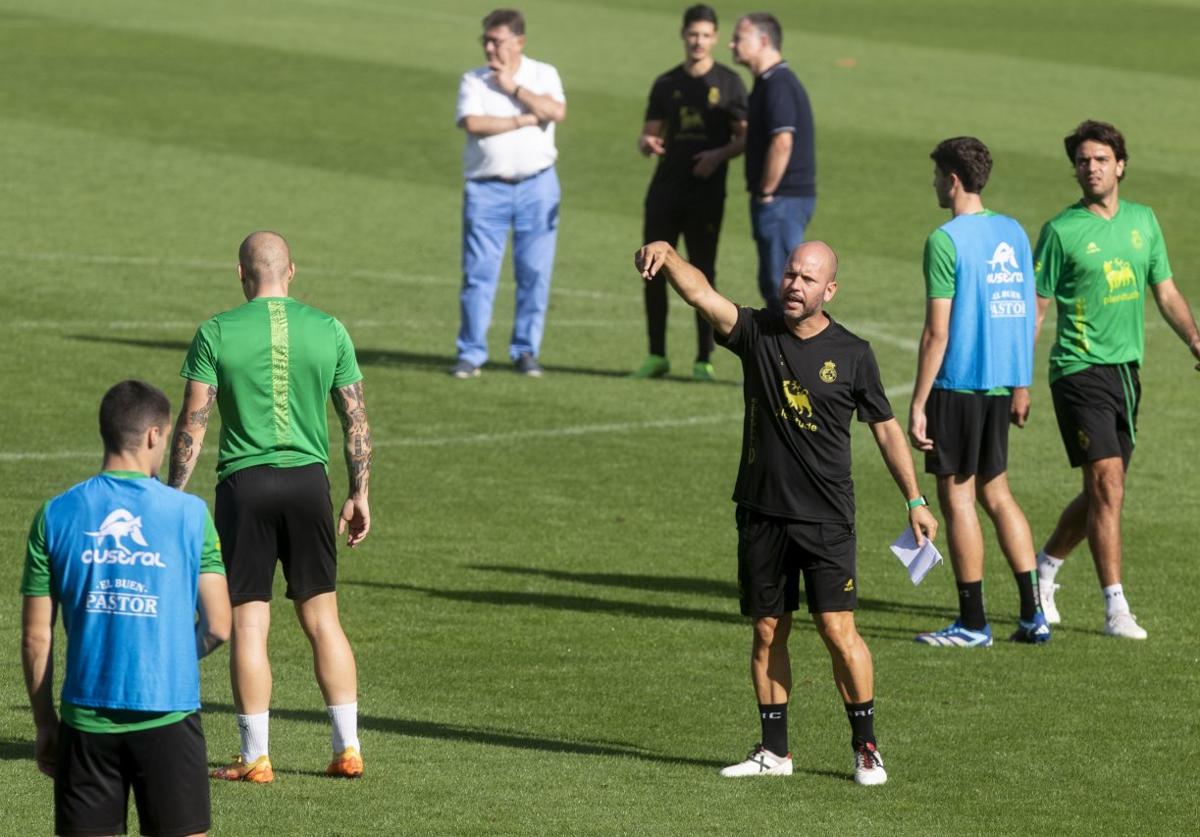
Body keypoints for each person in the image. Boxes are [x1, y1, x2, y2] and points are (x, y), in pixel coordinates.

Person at [635, 238, 938, 785]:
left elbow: (887, 430)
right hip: (761, 513)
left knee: (837, 629)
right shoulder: (758, 333)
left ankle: (866, 746)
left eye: (808, 279)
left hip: (825, 518)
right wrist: (670, 255)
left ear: (830, 290)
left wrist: (914, 498)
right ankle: (775, 751)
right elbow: (703, 296)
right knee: (769, 630)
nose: (795, 286)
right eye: (790, 275)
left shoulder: (853, 353)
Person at [169, 231, 373, 781]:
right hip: (310, 485)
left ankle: (256, 755)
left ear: (241, 273)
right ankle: (347, 748)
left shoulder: (216, 331)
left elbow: (194, 421)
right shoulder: (329, 328)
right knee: (324, 620)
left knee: (249, 625)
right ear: (292, 272)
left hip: (245, 486)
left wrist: (173, 495)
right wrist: (359, 493)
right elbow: (354, 419)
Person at [21, 379, 230, 837]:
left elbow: (38, 636)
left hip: (86, 718)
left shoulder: (55, 515)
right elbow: (218, 626)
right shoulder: (191, 515)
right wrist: (164, 650)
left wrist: (44, 723)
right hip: (169, 712)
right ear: (155, 435)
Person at [1032, 119, 1200, 640]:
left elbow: (1166, 292)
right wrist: (1017, 380)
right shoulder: (1061, 232)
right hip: (1077, 370)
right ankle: (1115, 608)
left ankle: (1045, 570)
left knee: (1108, 489)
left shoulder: (1143, 223)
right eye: (1083, 160)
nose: (1092, 167)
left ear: (1120, 165)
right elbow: (1036, 308)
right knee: (1106, 481)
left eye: (1101, 159)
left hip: (1126, 373)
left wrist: (1195, 338)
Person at [908, 137, 1050, 647]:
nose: (934, 185)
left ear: (951, 179)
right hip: (998, 384)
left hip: (958, 382)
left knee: (958, 497)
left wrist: (919, 401)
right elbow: (1023, 313)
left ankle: (972, 624)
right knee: (998, 491)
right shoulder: (1011, 230)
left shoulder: (945, 241)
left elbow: (936, 334)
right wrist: (1020, 383)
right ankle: (1034, 614)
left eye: (936, 176)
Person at [632, 4, 748, 382]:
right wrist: (648, 143)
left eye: (705, 35)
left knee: (703, 272)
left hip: (706, 194)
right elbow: (648, 133)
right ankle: (656, 354)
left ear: (715, 38)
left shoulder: (730, 83)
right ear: (683, 35)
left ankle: (703, 358)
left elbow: (745, 136)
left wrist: (718, 155)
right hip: (665, 190)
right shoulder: (666, 84)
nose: (698, 41)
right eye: (692, 34)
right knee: (652, 268)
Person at [452, 7, 567, 379]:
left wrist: (513, 90)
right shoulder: (473, 80)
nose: (489, 47)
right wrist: (525, 119)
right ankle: (471, 352)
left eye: (496, 41)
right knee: (479, 273)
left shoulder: (543, 73)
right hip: (487, 188)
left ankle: (525, 350)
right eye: (485, 40)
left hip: (538, 185)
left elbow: (556, 111)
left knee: (534, 272)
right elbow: (473, 123)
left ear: (519, 42)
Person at [730, 13, 816, 313]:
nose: (732, 44)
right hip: (783, 200)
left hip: (782, 201)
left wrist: (767, 191)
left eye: (739, 38)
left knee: (785, 292)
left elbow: (783, 141)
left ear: (763, 41)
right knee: (775, 287)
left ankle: (790, 360)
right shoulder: (767, 83)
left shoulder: (778, 84)